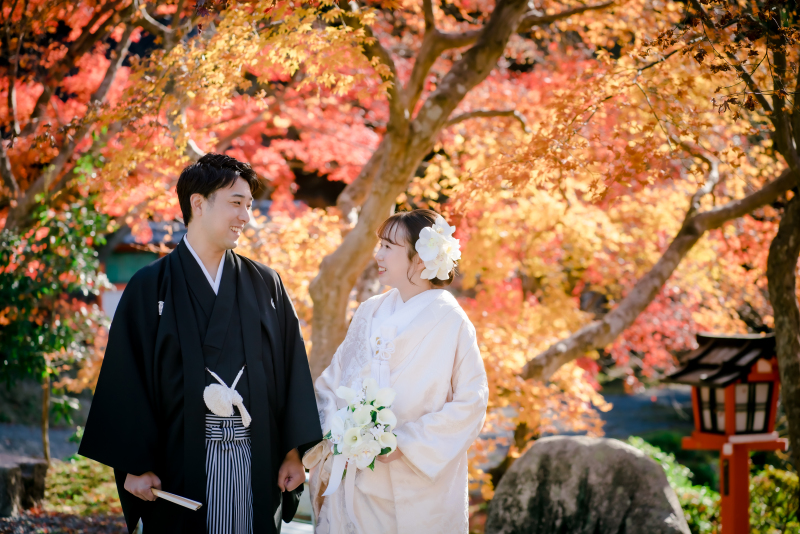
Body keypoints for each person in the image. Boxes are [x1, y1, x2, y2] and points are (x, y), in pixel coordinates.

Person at [79, 154, 321, 534]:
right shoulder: (150, 286)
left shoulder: (265, 283)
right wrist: (134, 465)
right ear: (198, 203)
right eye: (236, 203)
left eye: (249, 206)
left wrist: (293, 453)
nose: (246, 216)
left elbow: (291, 367)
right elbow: (126, 377)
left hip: (255, 458)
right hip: (178, 462)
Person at [304, 209, 489, 534]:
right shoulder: (370, 310)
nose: (379, 254)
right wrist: (343, 432)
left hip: (414, 484)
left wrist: (403, 442)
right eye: (380, 245)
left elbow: (471, 403)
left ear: (421, 259)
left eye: (389, 246)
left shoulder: (451, 320)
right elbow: (332, 384)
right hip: (355, 476)